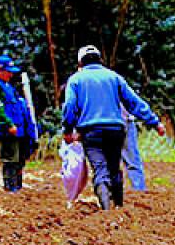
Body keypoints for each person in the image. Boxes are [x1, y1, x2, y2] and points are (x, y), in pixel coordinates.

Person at [62, 45, 165, 209]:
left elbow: (69, 106)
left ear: (80, 63)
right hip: (115, 130)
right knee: (114, 167)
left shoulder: (75, 80)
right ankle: (118, 206)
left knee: (99, 168)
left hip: (91, 132)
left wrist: (68, 130)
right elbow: (133, 102)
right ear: (100, 60)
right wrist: (154, 122)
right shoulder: (114, 77)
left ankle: (105, 207)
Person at [0, 55, 36, 192]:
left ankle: (18, 186)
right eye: (8, 71)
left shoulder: (6, 85)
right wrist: (8, 125)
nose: (11, 74)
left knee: (19, 158)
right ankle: (10, 187)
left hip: (18, 128)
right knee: (10, 158)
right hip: (7, 129)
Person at [121, 108, 147, 191]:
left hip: (97, 123)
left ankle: (106, 193)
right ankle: (139, 190)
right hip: (123, 120)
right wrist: (154, 121)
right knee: (132, 161)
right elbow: (134, 102)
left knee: (105, 164)